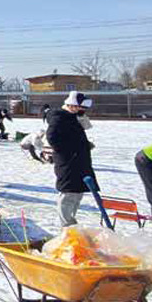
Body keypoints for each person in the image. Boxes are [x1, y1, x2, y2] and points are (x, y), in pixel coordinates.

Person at [46, 91, 97, 227]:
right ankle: (67, 227)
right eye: (82, 107)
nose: (84, 110)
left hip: (79, 161)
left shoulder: (72, 116)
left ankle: (71, 225)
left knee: (77, 192)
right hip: (68, 163)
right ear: (73, 105)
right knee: (69, 194)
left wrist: (84, 145)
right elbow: (52, 138)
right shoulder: (59, 117)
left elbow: (86, 127)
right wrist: (71, 151)